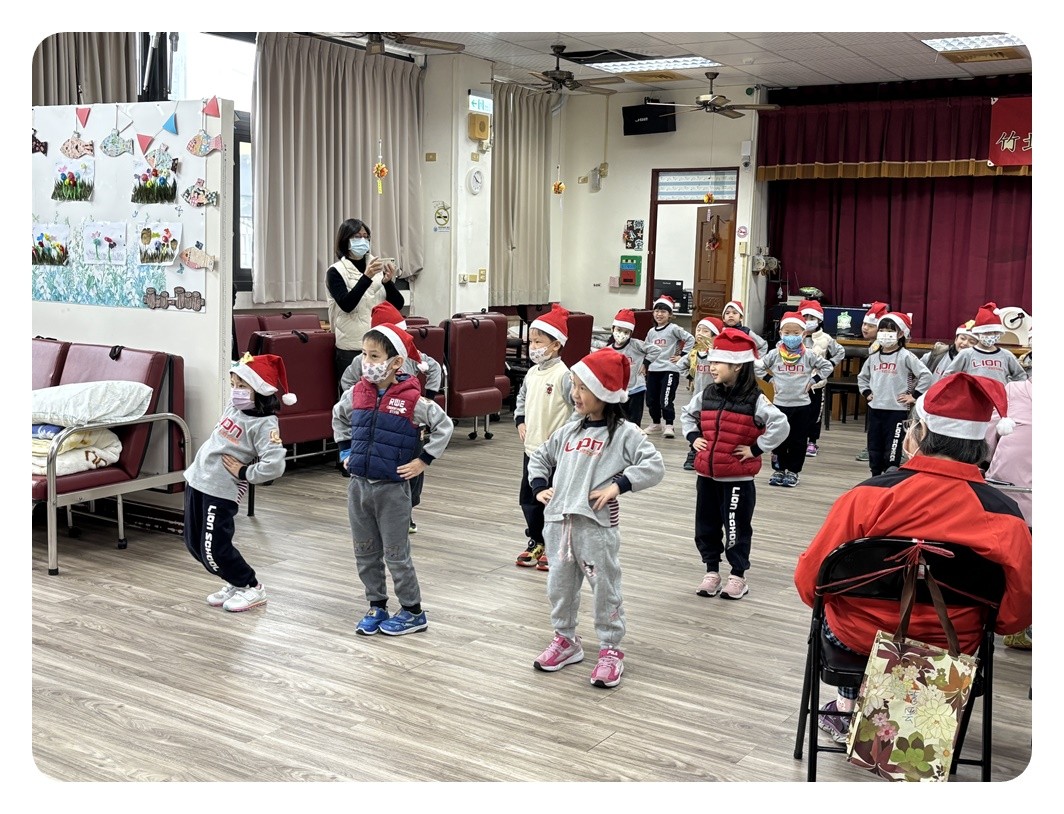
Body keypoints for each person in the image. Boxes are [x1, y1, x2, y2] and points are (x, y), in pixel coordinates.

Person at [794, 372, 1032, 742]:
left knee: (839, 616)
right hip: (953, 644)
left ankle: (850, 708)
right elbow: (1017, 613)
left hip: (859, 638)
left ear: (919, 433)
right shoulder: (1004, 515)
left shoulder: (866, 497)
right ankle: (911, 720)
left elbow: (811, 583)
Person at [528, 349, 665, 688]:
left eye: (583, 387)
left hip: (596, 528)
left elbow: (654, 466)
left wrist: (619, 485)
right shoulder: (569, 430)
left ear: (604, 392)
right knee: (559, 587)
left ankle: (610, 648)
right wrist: (540, 486)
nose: (575, 394)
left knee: (605, 588)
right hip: (558, 525)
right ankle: (565, 639)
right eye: (573, 386)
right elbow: (540, 457)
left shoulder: (625, 433)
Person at [332, 323, 454, 636]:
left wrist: (423, 460)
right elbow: (338, 416)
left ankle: (413, 611)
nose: (366, 362)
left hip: (392, 490)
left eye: (374, 356)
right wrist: (345, 451)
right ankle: (377, 604)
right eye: (364, 354)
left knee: (396, 555)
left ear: (396, 362)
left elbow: (444, 426)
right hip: (359, 487)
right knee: (365, 551)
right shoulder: (356, 393)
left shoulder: (413, 400)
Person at [680, 328, 789, 599]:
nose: (712, 366)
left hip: (737, 479)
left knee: (736, 528)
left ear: (737, 365)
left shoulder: (755, 398)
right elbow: (687, 414)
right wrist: (693, 437)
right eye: (712, 361)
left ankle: (738, 575)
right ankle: (711, 571)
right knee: (705, 526)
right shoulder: (707, 394)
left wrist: (756, 448)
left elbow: (780, 424)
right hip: (707, 476)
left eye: (718, 362)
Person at [183, 353, 297, 612]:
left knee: (213, 549)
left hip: (220, 490)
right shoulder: (234, 408)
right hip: (197, 480)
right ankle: (235, 582)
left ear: (259, 389)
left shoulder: (265, 424)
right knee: (193, 544)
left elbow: (275, 465)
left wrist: (245, 472)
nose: (235, 391)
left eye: (242, 386)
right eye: (233, 384)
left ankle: (251, 586)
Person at [340, 301, 443, 534]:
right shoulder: (362, 361)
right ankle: (378, 516)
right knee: (380, 467)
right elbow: (346, 382)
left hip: (409, 423)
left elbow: (435, 368)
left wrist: (429, 397)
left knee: (410, 469)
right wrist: (362, 400)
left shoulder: (411, 356)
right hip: (378, 425)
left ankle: (407, 512)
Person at [514, 304, 575, 571]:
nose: (533, 347)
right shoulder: (531, 373)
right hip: (532, 449)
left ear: (556, 345)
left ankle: (555, 545)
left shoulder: (564, 375)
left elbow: (578, 409)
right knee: (529, 499)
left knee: (553, 499)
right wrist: (520, 420)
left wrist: (565, 434)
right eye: (531, 342)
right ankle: (537, 540)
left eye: (539, 342)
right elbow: (522, 399)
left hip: (556, 454)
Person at [756, 312, 835, 487]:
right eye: (787, 333)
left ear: (804, 334)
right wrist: (770, 380)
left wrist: (814, 380)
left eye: (796, 333)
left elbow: (827, 366)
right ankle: (778, 470)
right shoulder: (774, 354)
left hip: (802, 406)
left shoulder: (809, 355)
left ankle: (793, 471)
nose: (791, 336)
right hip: (779, 405)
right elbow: (758, 367)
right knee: (779, 439)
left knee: (798, 441)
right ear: (780, 334)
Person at [325, 218, 405, 389]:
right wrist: (366, 277)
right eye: (357, 236)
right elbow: (347, 305)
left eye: (365, 236)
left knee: (383, 394)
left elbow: (398, 304)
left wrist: (387, 282)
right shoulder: (335, 271)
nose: (362, 240)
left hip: (380, 345)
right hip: (351, 345)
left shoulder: (376, 266)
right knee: (353, 395)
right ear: (345, 240)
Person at [856, 311, 932, 476]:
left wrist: (915, 396)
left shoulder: (906, 356)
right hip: (876, 408)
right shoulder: (873, 357)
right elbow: (862, 377)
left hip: (897, 410)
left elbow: (926, 375)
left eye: (890, 331)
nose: (885, 334)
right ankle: (875, 473)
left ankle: (890, 472)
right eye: (882, 330)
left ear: (900, 334)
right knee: (874, 443)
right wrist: (867, 392)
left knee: (893, 444)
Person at [798, 300, 845, 457]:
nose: (808, 321)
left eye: (812, 318)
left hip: (816, 384)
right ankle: (798, 440)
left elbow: (840, 352)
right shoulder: (795, 335)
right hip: (796, 383)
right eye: (805, 317)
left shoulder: (826, 338)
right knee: (798, 413)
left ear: (819, 320)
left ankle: (812, 442)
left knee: (815, 413)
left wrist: (830, 364)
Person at [644, 295, 695, 438]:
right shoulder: (651, 332)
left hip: (670, 370)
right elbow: (646, 348)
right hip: (653, 370)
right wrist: (645, 364)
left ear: (670, 314)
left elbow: (690, 339)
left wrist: (682, 356)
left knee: (665, 399)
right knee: (651, 399)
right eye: (657, 311)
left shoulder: (674, 328)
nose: (659, 314)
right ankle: (656, 423)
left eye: (663, 311)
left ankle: (669, 425)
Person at [605, 308, 664, 429]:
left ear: (630, 333)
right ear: (612, 329)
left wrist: (646, 363)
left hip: (636, 389)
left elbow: (656, 349)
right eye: (619, 330)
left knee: (634, 422)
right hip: (618, 392)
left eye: (626, 332)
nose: (621, 334)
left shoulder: (636, 344)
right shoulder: (608, 350)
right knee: (618, 421)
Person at [945, 301, 1028, 384]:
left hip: (999, 392)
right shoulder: (966, 354)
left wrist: (1009, 387)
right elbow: (948, 376)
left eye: (995, 332)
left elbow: (1021, 376)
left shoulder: (1007, 355)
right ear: (978, 333)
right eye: (988, 332)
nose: (992, 335)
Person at [683, 316, 724, 470]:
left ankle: (711, 454)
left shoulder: (718, 354)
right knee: (697, 424)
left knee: (712, 427)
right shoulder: (694, 353)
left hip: (715, 397)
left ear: (715, 335)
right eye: (698, 330)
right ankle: (693, 452)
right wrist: (690, 376)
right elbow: (681, 365)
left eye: (705, 331)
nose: (700, 333)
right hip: (697, 396)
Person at [854, 301, 890, 463]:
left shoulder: (882, 346)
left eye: (871, 326)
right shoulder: (874, 345)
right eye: (864, 324)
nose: (865, 328)